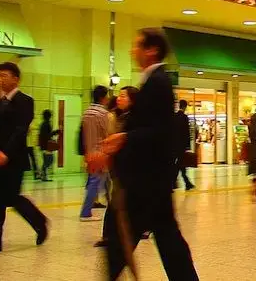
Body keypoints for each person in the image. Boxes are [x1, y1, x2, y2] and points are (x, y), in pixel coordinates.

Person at [97, 28, 199, 280]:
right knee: (165, 237)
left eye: (137, 46)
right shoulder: (153, 81)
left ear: (151, 50)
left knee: (129, 239)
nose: (133, 51)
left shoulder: (159, 82)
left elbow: (160, 131)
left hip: (148, 180)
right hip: (151, 180)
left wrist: (125, 137)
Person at [0, 62, 48, 252]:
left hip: (13, 157)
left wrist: (6, 152)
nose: (1, 79)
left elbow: (20, 130)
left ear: (16, 79)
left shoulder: (25, 101)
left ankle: (39, 222)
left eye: (5, 75)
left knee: (9, 197)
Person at [95, 86, 144, 248]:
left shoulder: (135, 118)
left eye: (123, 96)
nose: (119, 98)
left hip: (132, 168)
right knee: (116, 201)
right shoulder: (118, 115)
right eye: (119, 95)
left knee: (123, 202)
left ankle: (114, 235)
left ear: (132, 100)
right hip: (120, 166)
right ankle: (109, 235)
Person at [79, 85, 110, 222]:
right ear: (103, 97)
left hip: (89, 151)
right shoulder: (102, 113)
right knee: (96, 181)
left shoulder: (87, 112)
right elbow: (107, 133)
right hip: (100, 152)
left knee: (96, 180)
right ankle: (85, 212)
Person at [173, 100, 195, 191]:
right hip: (181, 146)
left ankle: (186, 183)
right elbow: (186, 133)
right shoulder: (185, 117)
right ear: (185, 107)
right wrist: (188, 146)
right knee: (179, 164)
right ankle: (181, 182)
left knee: (179, 164)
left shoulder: (175, 116)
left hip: (174, 145)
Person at [38, 109, 60, 181]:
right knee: (49, 160)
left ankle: (43, 176)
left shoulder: (43, 123)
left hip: (43, 145)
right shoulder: (46, 124)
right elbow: (47, 135)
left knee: (47, 160)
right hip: (46, 146)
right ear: (49, 116)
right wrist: (56, 132)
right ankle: (42, 174)